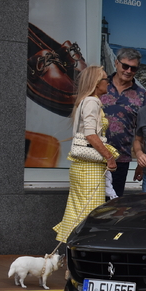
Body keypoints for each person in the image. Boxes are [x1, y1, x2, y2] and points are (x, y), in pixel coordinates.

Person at [53, 66, 118, 243]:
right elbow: (90, 134)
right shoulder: (92, 102)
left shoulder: (85, 100)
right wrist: (109, 157)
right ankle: (80, 258)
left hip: (81, 167)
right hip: (89, 168)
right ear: (97, 83)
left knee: (77, 214)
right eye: (105, 79)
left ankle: (70, 262)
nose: (108, 82)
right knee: (88, 215)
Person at [101, 48, 146, 198]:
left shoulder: (142, 95)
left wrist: (141, 164)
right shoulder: (101, 86)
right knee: (91, 204)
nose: (128, 71)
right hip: (95, 156)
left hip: (120, 160)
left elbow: (143, 132)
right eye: (125, 66)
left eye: (133, 68)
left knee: (113, 206)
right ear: (116, 63)